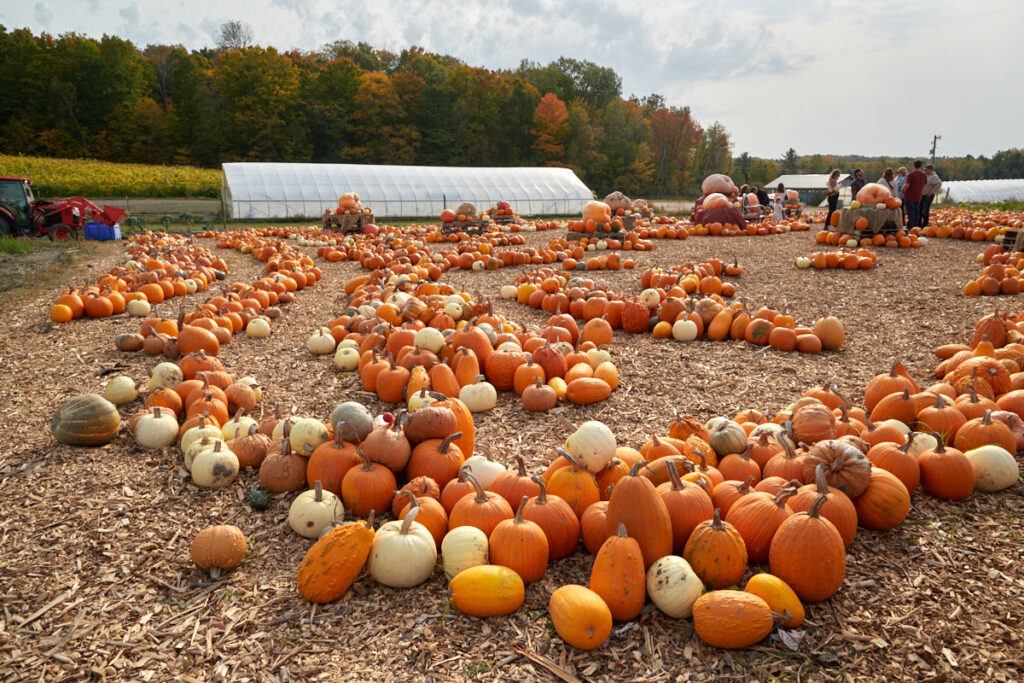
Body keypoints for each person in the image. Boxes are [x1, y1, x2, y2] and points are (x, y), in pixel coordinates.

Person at [902, 160, 927, 229]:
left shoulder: (910, 175)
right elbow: (925, 184)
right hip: (918, 195)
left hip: (910, 195)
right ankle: (916, 226)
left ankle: (910, 226)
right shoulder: (923, 174)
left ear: (914, 165)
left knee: (911, 211)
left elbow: (907, 185)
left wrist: (903, 190)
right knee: (917, 211)